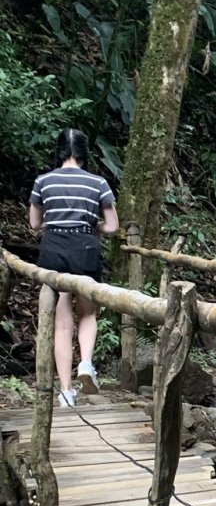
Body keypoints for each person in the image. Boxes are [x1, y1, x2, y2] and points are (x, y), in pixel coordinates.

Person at [28, 129, 120, 408]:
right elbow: (113, 226)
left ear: (59, 151)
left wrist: (55, 222)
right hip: (85, 246)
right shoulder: (98, 183)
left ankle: (66, 392)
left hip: (54, 247)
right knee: (88, 311)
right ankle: (86, 364)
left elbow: (34, 223)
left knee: (62, 320)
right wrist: (93, 225)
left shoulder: (43, 181)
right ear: (84, 153)